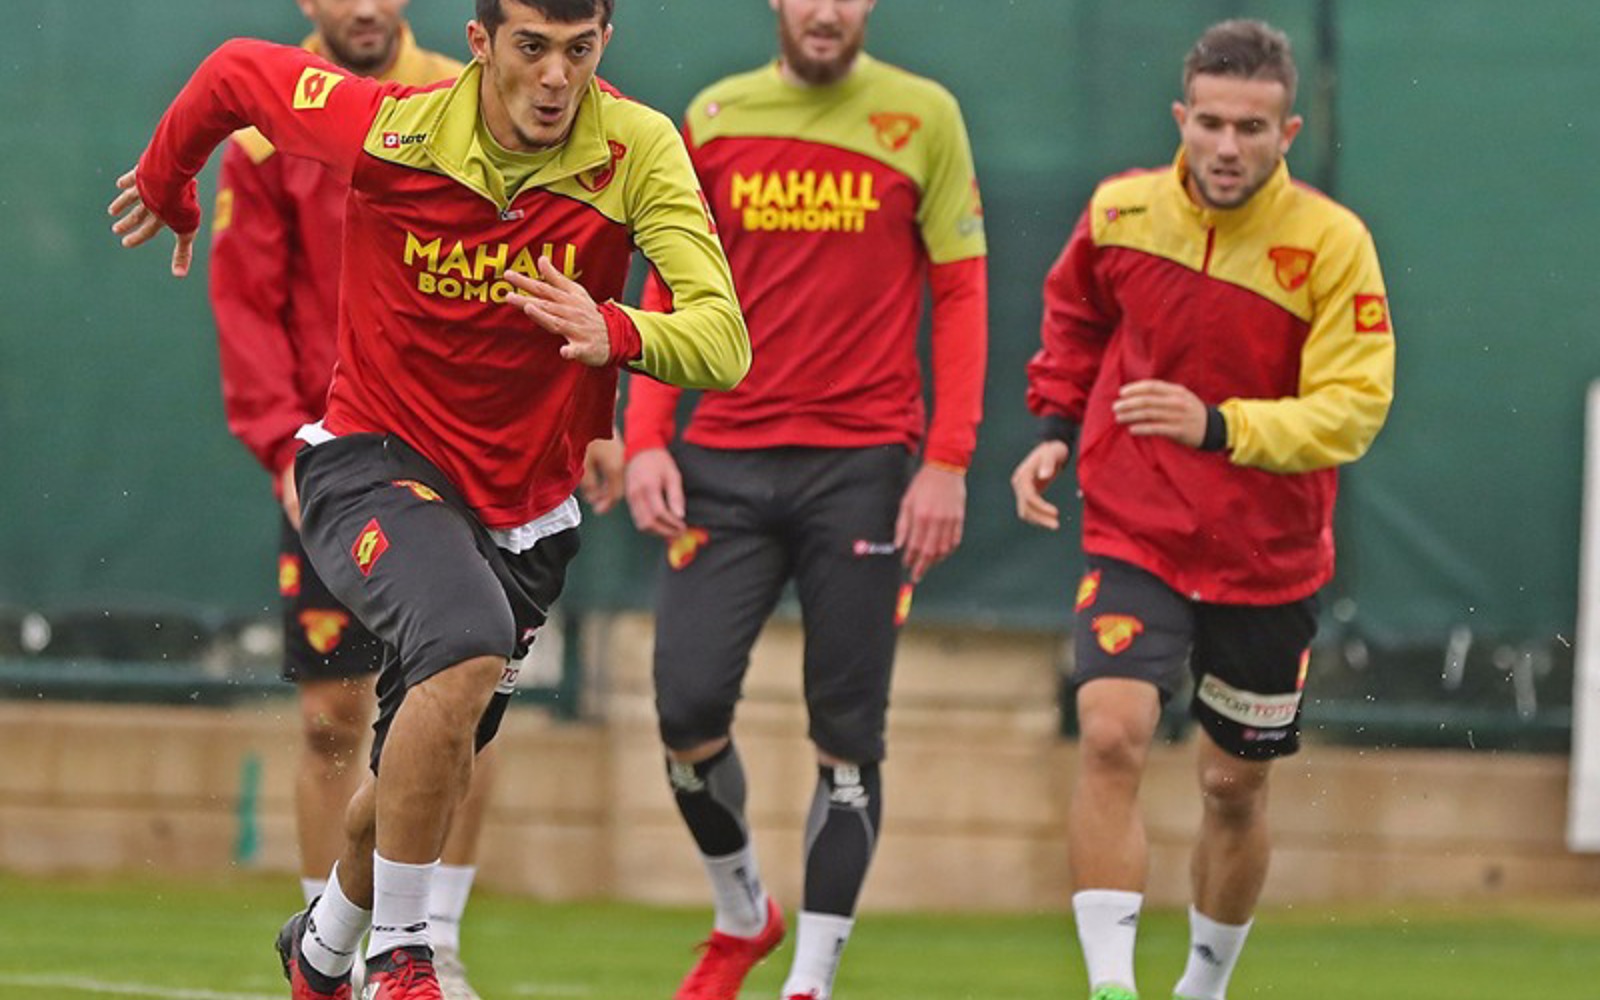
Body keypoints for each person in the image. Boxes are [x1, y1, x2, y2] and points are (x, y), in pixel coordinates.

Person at [109, 0, 749, 996]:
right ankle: (406, 956)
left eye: (578, 51)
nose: (555, 77)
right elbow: (234, 72)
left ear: (604, 46)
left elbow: (725, 340)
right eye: (532, 47)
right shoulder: (391, 127)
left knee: (427, 759)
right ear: (481, 42)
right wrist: (167, 179)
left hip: (526, 513)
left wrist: (618, 331)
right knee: (460, 644)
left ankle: (321, 948)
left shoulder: (637, 147)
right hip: (370, 462)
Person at [1009, 19, 1394, 1000]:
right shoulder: (1121, 211)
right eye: (1210, 124)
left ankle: (1203, 986)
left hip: (1267, 557)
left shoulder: (1332, 244)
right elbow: (1076, 319)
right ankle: (1110, 987)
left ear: (1288, 133)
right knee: (1110, 734)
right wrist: (1054, 425)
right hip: (1136, 525)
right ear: (1181, 117)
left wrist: (1220, 426)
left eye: (1250, 129)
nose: (1227, 147)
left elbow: (1354, 408)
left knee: (1232, 787)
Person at [623, 2, 988, 997]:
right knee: (686, 709)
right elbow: (668, 285)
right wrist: (646, 436)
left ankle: (810, 981)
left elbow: (961, 291)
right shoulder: (713, 117)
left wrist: (947, 460)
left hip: (861, 466)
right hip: (722, 462)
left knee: (847, 735)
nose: (826, 10)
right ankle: (743, 911)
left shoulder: (925, 116)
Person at [206, 5, 496, 997]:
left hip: (462, 447)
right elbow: (248, 298)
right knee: (333, 714)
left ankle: (431, 943)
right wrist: (280, 448)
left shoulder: (467, 98)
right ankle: (326, 950)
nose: (366, 5)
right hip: (335, 456)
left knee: (466, 695)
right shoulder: (266, 131)